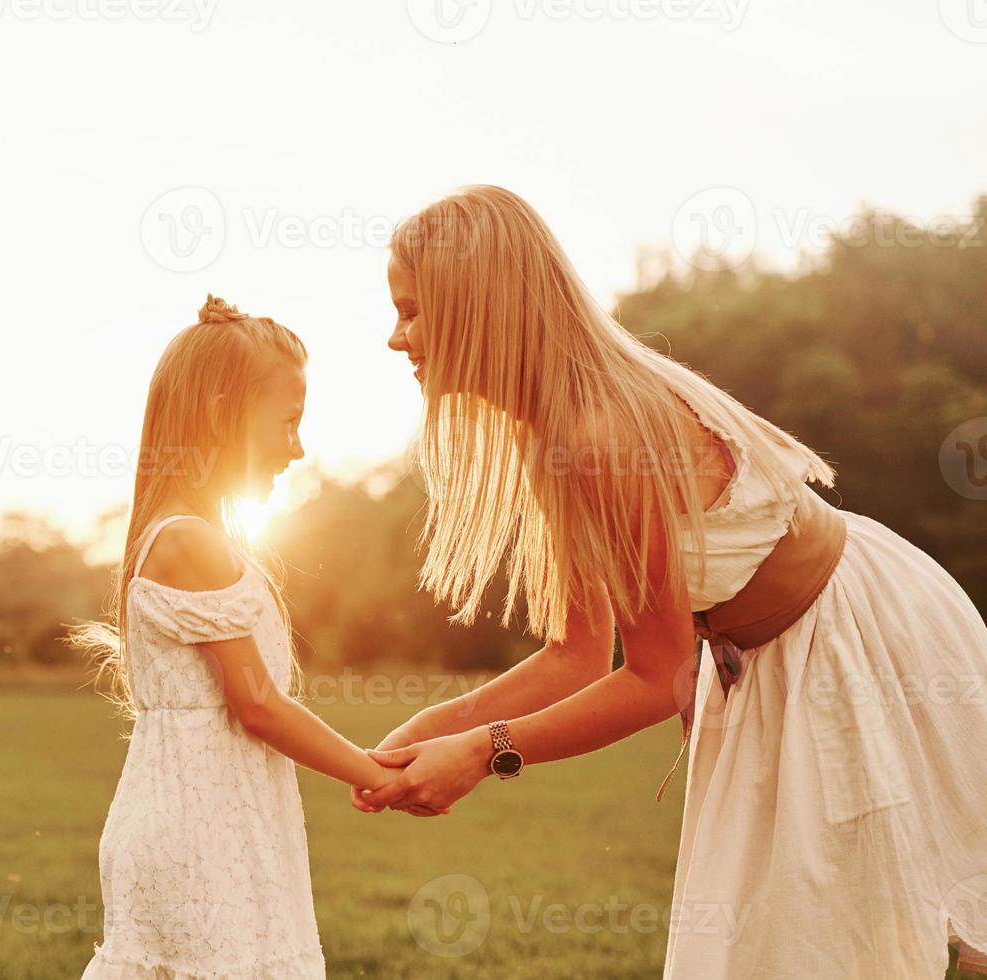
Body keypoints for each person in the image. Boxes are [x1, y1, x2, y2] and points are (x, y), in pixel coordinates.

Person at [355, 185, 987, 977]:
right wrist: (426, 732)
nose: (394, 338)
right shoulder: (557, 428)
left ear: (477, 305)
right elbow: (576, 657)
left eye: (412, 312)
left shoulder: (598, 435)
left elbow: (657, 678)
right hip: (779, 654)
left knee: (837, 942)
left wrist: (485, 753)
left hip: (846, 640)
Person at [76, 295, 398, 979]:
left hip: (220, 818)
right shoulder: (189, 542)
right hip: (197, 833)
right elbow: (257, 705)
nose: (298, 446)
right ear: (225, 413)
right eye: (288, 421)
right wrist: (376, 774)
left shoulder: (194, 536)